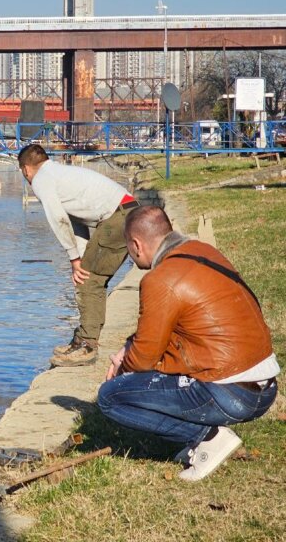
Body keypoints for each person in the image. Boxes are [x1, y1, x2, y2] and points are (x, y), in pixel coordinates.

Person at [98, 206, 279, 481]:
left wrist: (124, 365)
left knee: (110, 397)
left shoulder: (160, 279)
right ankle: (204, 436)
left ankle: (208, 438)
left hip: (232, 395)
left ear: (136, 244)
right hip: (264, 388)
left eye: (129, 249)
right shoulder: (203, 251)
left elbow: (143, 360)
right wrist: (129, 346)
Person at [18, 144, 139, 367]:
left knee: (89, 281)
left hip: (119, 218)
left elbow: (58, 219)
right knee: (89, 277)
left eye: (24, 173)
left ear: (26, 169)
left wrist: (74, 259)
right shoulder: (58, 174)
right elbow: (76, 221)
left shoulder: (42, 179)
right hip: (125, 212)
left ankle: (87, 347)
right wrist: (80, 257)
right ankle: (81, 340)